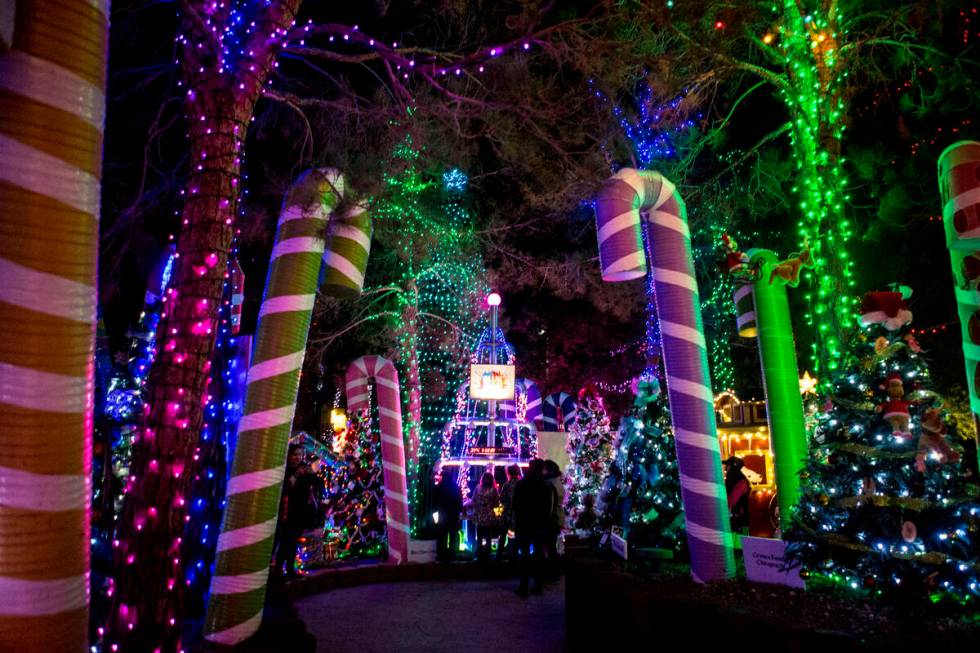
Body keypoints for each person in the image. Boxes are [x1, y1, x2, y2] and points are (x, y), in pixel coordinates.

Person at [275, 444, 323, 578]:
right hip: (286, 511)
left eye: (300, 455)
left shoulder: (305, 469)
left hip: (300, 511)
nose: (297, 458)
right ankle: (278, 569)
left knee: (293, 541)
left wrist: (312, 473)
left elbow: (317, 483)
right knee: (285, 541)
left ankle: (290, 569)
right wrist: (296, 475)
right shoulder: (284, 470)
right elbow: (285, 487)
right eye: (295, 455)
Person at [512, 458, 553, 597]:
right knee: (539, 555)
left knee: (524, 555)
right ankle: (538, 585)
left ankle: (523, 586)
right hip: (539, 525)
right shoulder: (545, 486)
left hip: (524, 524)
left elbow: (515, 505)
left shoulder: (522, 484)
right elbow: (548, 506)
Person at [432, 469, 463, 562]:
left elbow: (434, 502)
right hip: (453, 514)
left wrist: (435, 513)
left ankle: (441, 554)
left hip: (442, 514)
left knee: (441, 535)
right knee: (453, 535)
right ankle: (452, 554)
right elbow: (459, 501)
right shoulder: (456, 487)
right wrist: (459, 511)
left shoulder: (439, 487)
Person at [542, 459, 565, 580]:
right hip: (558, 517)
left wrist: (546, 518)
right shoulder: (558, 482)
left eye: (544, 469)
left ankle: (553, 572)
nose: (543, 471)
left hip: (552, 519)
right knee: (552, 545)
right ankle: (555, 571)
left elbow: (549, 503)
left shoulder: (549, 483)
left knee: (549, 546)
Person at [471, 472, 501, 563]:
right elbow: (496, 503)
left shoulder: (477, 488)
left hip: (479, 515)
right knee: (488, 536)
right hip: (489, 516)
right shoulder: (494, 490)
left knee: (479, 535)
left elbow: (473, 500)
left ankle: (479, 554)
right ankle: (487, 554)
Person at [498, 464, 522, 560]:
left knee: (503, 535)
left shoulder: (507, 485)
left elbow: (502, 499)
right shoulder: (521, 484)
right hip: (518, 514)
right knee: (516, 535)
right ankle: (514, 555)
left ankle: (499, 555)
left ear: (508, 473)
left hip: (507, 514)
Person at [723, 456, 751, 532]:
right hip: (733, 520)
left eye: (727, 466)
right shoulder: (734, 481)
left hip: (738, 521)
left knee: (737, 543)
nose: (726, 469)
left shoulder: (741, 482)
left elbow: (731, 501)